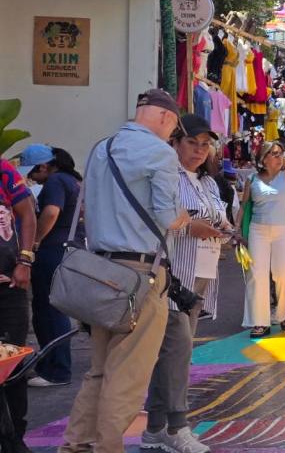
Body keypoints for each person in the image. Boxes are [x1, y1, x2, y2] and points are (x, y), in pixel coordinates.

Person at [60, 89, 189, 453]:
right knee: (128, 373)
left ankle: (76, 445)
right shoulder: (159, 152)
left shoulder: (102, 147)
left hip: (99, 268)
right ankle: (107, 447)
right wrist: (182, 218)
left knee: (99, 369)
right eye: (174, 129)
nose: (171, 137)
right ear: (166, 118)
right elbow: (168, 216)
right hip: (139, 273)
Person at [142, 114, 229, 453]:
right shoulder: (169, 176)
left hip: (202, 274)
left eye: (205, 144)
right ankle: (177, 426)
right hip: (174, 276)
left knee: (174, 355)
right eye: (192, 143)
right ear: (175, 142)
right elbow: (163, 219)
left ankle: (154, 429)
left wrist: (223, 231)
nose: (198, 150)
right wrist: (194, 227)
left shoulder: (207, 182)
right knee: (178, 352)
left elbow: (220, 218)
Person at [17, 145, 81, 389]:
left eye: (32, 172)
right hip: (69, 250)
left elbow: (51, 212)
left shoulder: (55, 182)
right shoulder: (72, 180)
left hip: (52, 251)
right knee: (55, 308)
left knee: (48, 310)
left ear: (44, 167)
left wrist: (34, 242)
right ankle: (53, 365)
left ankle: (56, 370)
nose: (31, 178)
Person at [241, 141, 285, 338]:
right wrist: (237, 231)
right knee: (257, 275)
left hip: (284, 230)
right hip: (258, 230)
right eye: (275, 154)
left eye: (281, 153)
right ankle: (260, 321)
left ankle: (283, 312)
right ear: (264, 159)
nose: (280, 157)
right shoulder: (252, 179)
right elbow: (245, 207)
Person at [0, 156, 37, 452]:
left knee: (10, 364)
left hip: (8, 288)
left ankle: (15, 439)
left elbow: (27, 213)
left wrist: (24, 259)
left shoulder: (4, 170)